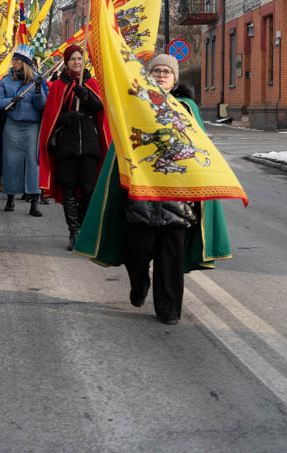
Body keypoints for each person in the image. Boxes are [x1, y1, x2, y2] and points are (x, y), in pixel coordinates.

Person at [74, 53, 232, 326]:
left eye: (166, 72)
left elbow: (198, 148)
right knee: (136, 250)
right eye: (156, 71)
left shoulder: (186, 108)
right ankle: (139, 283)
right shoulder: (136, 104)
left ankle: (168, 310)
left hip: (177, 196)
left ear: (174, 79)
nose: (161, 75)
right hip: (142, 196)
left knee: (170, 258)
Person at [39, 45, 110, 250]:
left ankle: (82, 225)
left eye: (80, 58)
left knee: (88, 189)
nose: (77, 62)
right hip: (66, 144)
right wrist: (67, 117)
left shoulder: (91, 83)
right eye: (73, 59)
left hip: (89, 143)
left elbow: (99, 107)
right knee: (69, 189)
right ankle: (74, 232)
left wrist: (86, 95)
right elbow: (51, 117)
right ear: (67, 62)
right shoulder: (58, 86)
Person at [0, 43, 47, 217]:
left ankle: (34, 202)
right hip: (12, 126)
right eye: (13, 59)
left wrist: (38, 89)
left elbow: (42, 105)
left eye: (16, 60)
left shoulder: (37, 79)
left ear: (24, 62)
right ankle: (10, 197)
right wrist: (11, 100)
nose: (13, 62)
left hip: (32, 127)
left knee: (33, 163)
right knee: (11, 162)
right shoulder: (6, 80)